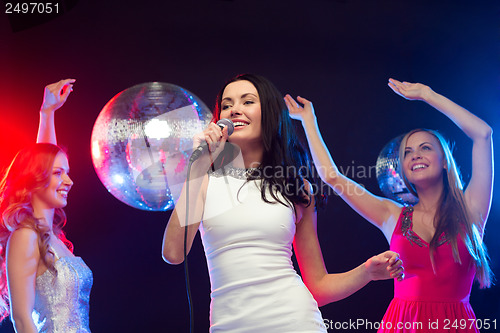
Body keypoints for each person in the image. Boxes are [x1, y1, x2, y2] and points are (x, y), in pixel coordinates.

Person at [162, 73, 404, 332]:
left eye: (247, 102)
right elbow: (174, 254)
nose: (235, 110)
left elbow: (318, 287)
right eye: (227, 104)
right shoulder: (204, 181)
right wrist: (198, 165)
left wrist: (366, 272)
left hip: (294, 321)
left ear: (269, 113)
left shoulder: (297, 187)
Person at [285, 78, 493, 333]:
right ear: (403, 168)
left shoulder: (470, 210)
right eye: (407, 152)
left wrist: (427, 94)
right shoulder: (391, 215)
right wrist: (309, 122)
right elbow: (332, 177)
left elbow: (483, 134)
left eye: (425, 148)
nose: (415, 154)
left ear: (445, 161)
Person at [0, 79, 93, 332]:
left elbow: (44, 159)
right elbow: (21, 320)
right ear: (36, 179)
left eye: (67, 172)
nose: (69, 181)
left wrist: (48, 113)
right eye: (59, 173)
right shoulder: (24, 237)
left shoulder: (50, 236)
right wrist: (46, 113)